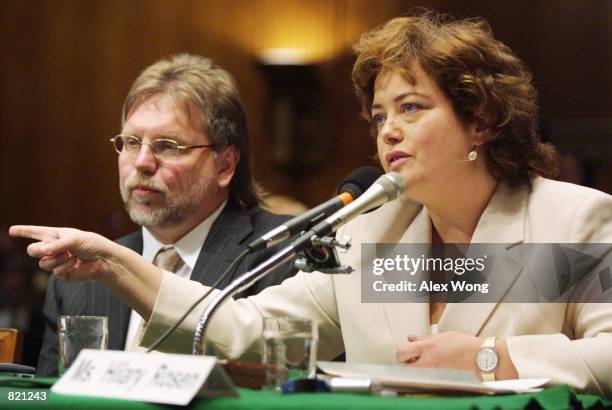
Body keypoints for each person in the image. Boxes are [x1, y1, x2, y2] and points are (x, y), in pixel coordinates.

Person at [11, 13, 612, 396]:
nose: (388, 132)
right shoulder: (376, 234)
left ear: (479, 121)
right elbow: (252, 328)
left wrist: (491, 357)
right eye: (380, 115)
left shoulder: (567, 218)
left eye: (411, 108)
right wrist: (116, 264)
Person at [31, 53, 298, 376]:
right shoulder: (77, 280)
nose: (142, 162)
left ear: (225, 165)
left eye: (167, 145)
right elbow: (44, 399)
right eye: (131, 142)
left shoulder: (282, 257)